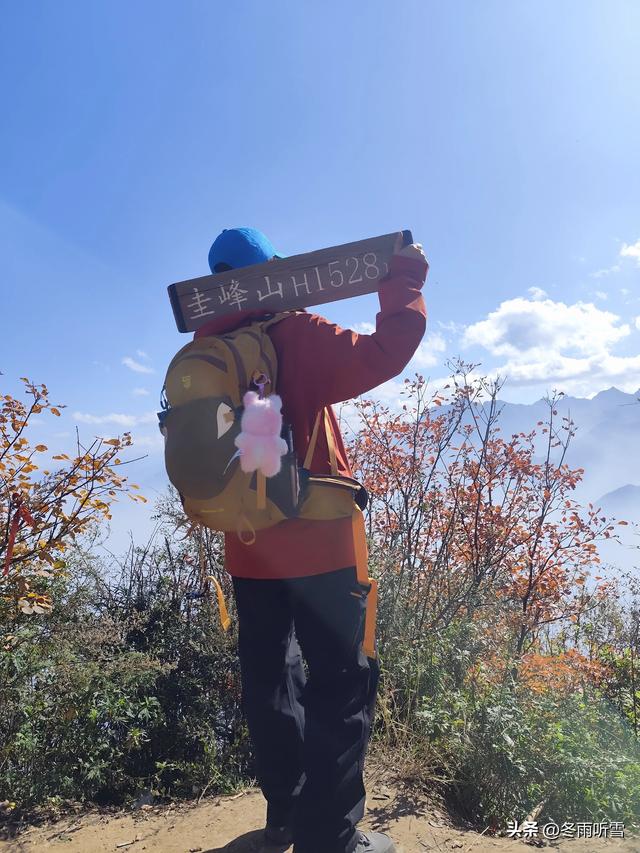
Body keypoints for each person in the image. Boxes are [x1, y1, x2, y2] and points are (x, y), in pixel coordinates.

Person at [195, 226, 428, 853]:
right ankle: (331, 838)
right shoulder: (291, 333)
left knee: (271, 679)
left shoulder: (206, 348)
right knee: (341, 683)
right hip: (322, 542)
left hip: (247, 544)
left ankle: (285, 821)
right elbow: (387, 350)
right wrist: (404, 278)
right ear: (272, 271)